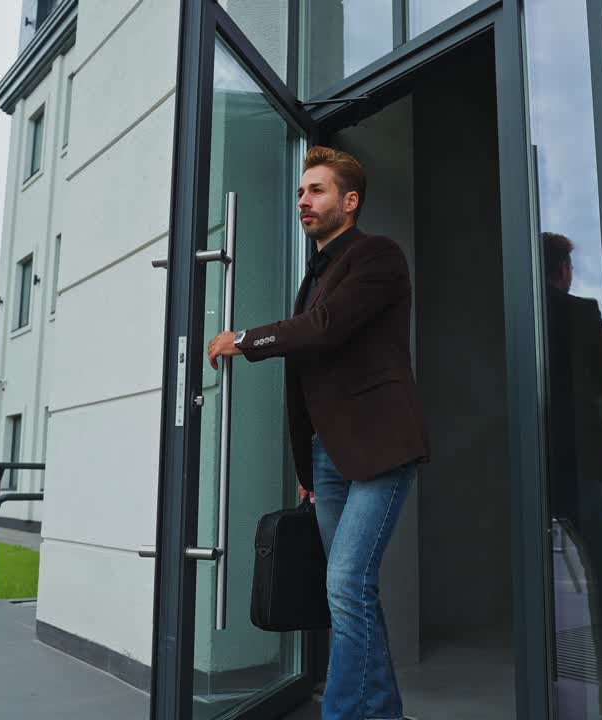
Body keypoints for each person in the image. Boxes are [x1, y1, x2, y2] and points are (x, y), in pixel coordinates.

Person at [208, 146, 429, 720]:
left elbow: (324, 331)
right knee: (352, 591)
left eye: (318, 190)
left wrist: (247, 339)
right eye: (302, 192)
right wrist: (307, 472)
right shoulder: (316, 276)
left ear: (349, 202)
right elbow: (309, 382)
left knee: (347, 583)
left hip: (380, 447)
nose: (304, 200)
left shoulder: (378, 256)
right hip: (328, 459)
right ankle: (382, 713)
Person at [541, 232, 602, 714]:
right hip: (575, 459)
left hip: (531, 460)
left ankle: (535, 672)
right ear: (563, 271)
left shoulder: (517, 315)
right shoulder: (580, 312)